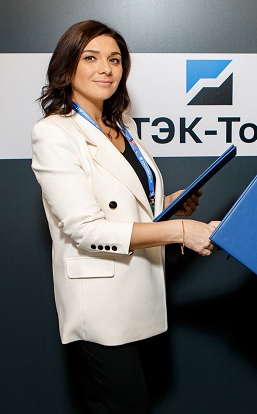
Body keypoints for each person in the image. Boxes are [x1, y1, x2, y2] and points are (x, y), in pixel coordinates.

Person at [31, 20, 217, 413]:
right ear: (67, 66)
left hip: (140, 291)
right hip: (100, 303)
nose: (105, 68)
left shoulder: (122, 127)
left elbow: (128, 204)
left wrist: (169, 204)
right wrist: (179, 230)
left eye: (114, 60)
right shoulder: (54, 133)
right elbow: (86, 229)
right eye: (91, 58)